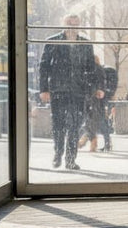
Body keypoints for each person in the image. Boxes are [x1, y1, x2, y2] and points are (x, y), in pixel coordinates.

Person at [38, 14, 104, 170]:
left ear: (79, 26)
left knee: (75, 126)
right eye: (69, 23)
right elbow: (43, 67)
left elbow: (91, 68)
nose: (72, 26)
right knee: (58, 124)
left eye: (75, 24)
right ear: (64, 24)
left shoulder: (86, 44)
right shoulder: (53, 41)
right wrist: (44, 90)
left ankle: (70, 159)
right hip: (58, 90)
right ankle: (58, 152)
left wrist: (96, 88)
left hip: (78, 91)